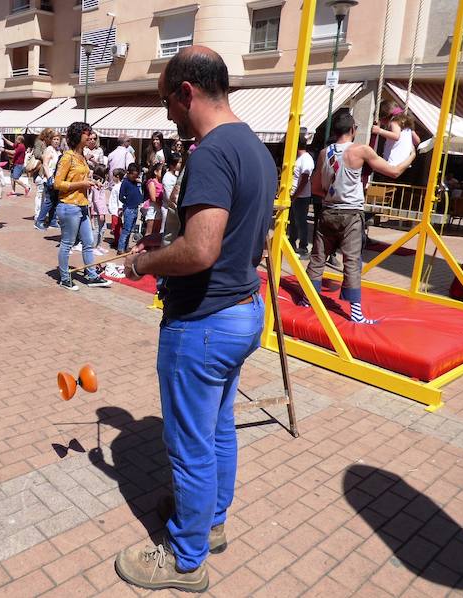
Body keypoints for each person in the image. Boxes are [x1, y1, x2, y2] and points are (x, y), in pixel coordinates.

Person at [117, 46, 275, 593]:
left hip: (204, 323)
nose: (165, 114)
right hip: (242, 312)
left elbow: (202, 249)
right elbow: (236, 238)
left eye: (166, 101)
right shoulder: (254, 145)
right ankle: (208, 523)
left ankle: (186, 560)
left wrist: (143, 261)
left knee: (189, 446)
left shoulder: (210, 152)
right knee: (217, 429)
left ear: (187, 92)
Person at [305, 112, 416, 324]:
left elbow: (316, 187)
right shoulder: (361, 150)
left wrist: (334, 191)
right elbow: (393, 172)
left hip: (328, 211)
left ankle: (308, 298)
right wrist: (411, 156)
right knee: (352, 261)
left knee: (318, 257)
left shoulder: (323, 152)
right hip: (351, 213)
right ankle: (356, 313)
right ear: (353, 130)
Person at [53, 121, 113, 291]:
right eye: (87, 133)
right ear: (78, 136)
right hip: (69, 206)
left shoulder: (82, 157)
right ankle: (65, 278)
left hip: (82, 205)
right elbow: (57, 184)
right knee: (67, 243)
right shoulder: (67, 157)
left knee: (88, 242)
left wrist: (93, 182)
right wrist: (82, 184)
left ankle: (92, 275)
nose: (90, 137)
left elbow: (80, 179)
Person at [289, 132, 314, 257]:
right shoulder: (298, 158)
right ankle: (292, 242)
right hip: (295, 195)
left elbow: (304, 179)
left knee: (300, 222)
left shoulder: (306, 159)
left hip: (301, 197)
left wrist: (296, 195)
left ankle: (303, 246)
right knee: (293, 221)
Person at [34, 129, 62, 230]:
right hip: (49, 178)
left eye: (58, 139)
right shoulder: (49, 149)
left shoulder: (57, 150)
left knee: (54, 201)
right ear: (50, 140)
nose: (56, 141)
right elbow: (45, 164)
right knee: (48, 201)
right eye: (54, 139)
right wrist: (49, 177)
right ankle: (39, 221)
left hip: (56, 178)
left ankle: (53, 221)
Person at [116, 163, 143, 253]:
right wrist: (126, 203)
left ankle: (126, 247)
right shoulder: (125, 183)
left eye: (136, 176)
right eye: (133, 175)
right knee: (126, 230)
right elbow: (121, 196)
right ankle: (120, 248)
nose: (135, 177)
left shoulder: (135, 183)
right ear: (128, 173)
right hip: (129, 209)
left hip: (135, 208)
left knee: (130, 230)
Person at [89, 164, 109, 254]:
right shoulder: (96, 186)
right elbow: (96, 200)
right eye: (106, 173)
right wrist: (101, 212)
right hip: (97, 212)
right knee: (96, 229)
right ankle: (93, 247)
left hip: (102, 211)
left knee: (103, 229)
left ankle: (99, 245)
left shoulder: (101, 184)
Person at [143, 162, 166, 236]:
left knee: (157, 232)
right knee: (149, 232)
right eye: (161, 171)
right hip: (153, 208)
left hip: (160, 208)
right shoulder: (152, 182)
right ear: (155, 172)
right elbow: (153, 198)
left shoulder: (163, 182)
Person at [109, 167, 125, 247]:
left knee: (117, 227)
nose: (112, 177)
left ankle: (118, 242)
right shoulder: (117, 186)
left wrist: (120, 208)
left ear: (117, 176)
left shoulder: (118, 187)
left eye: (113, 176)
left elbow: (120, 198)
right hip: (114, 210)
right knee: (116, 227)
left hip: (116, 210)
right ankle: (117, 241)